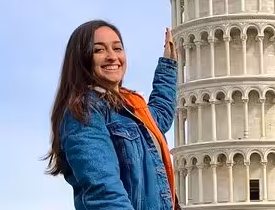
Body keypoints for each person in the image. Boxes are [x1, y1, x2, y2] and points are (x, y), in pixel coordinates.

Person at [45, 20, 179, 210]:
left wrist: (169, 65)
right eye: (98, 50)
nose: (112, 56)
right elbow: (105, 194)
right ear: (81, 59)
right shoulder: (85, 111)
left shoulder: (130, 107)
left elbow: (160, 118)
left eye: (117, 48)